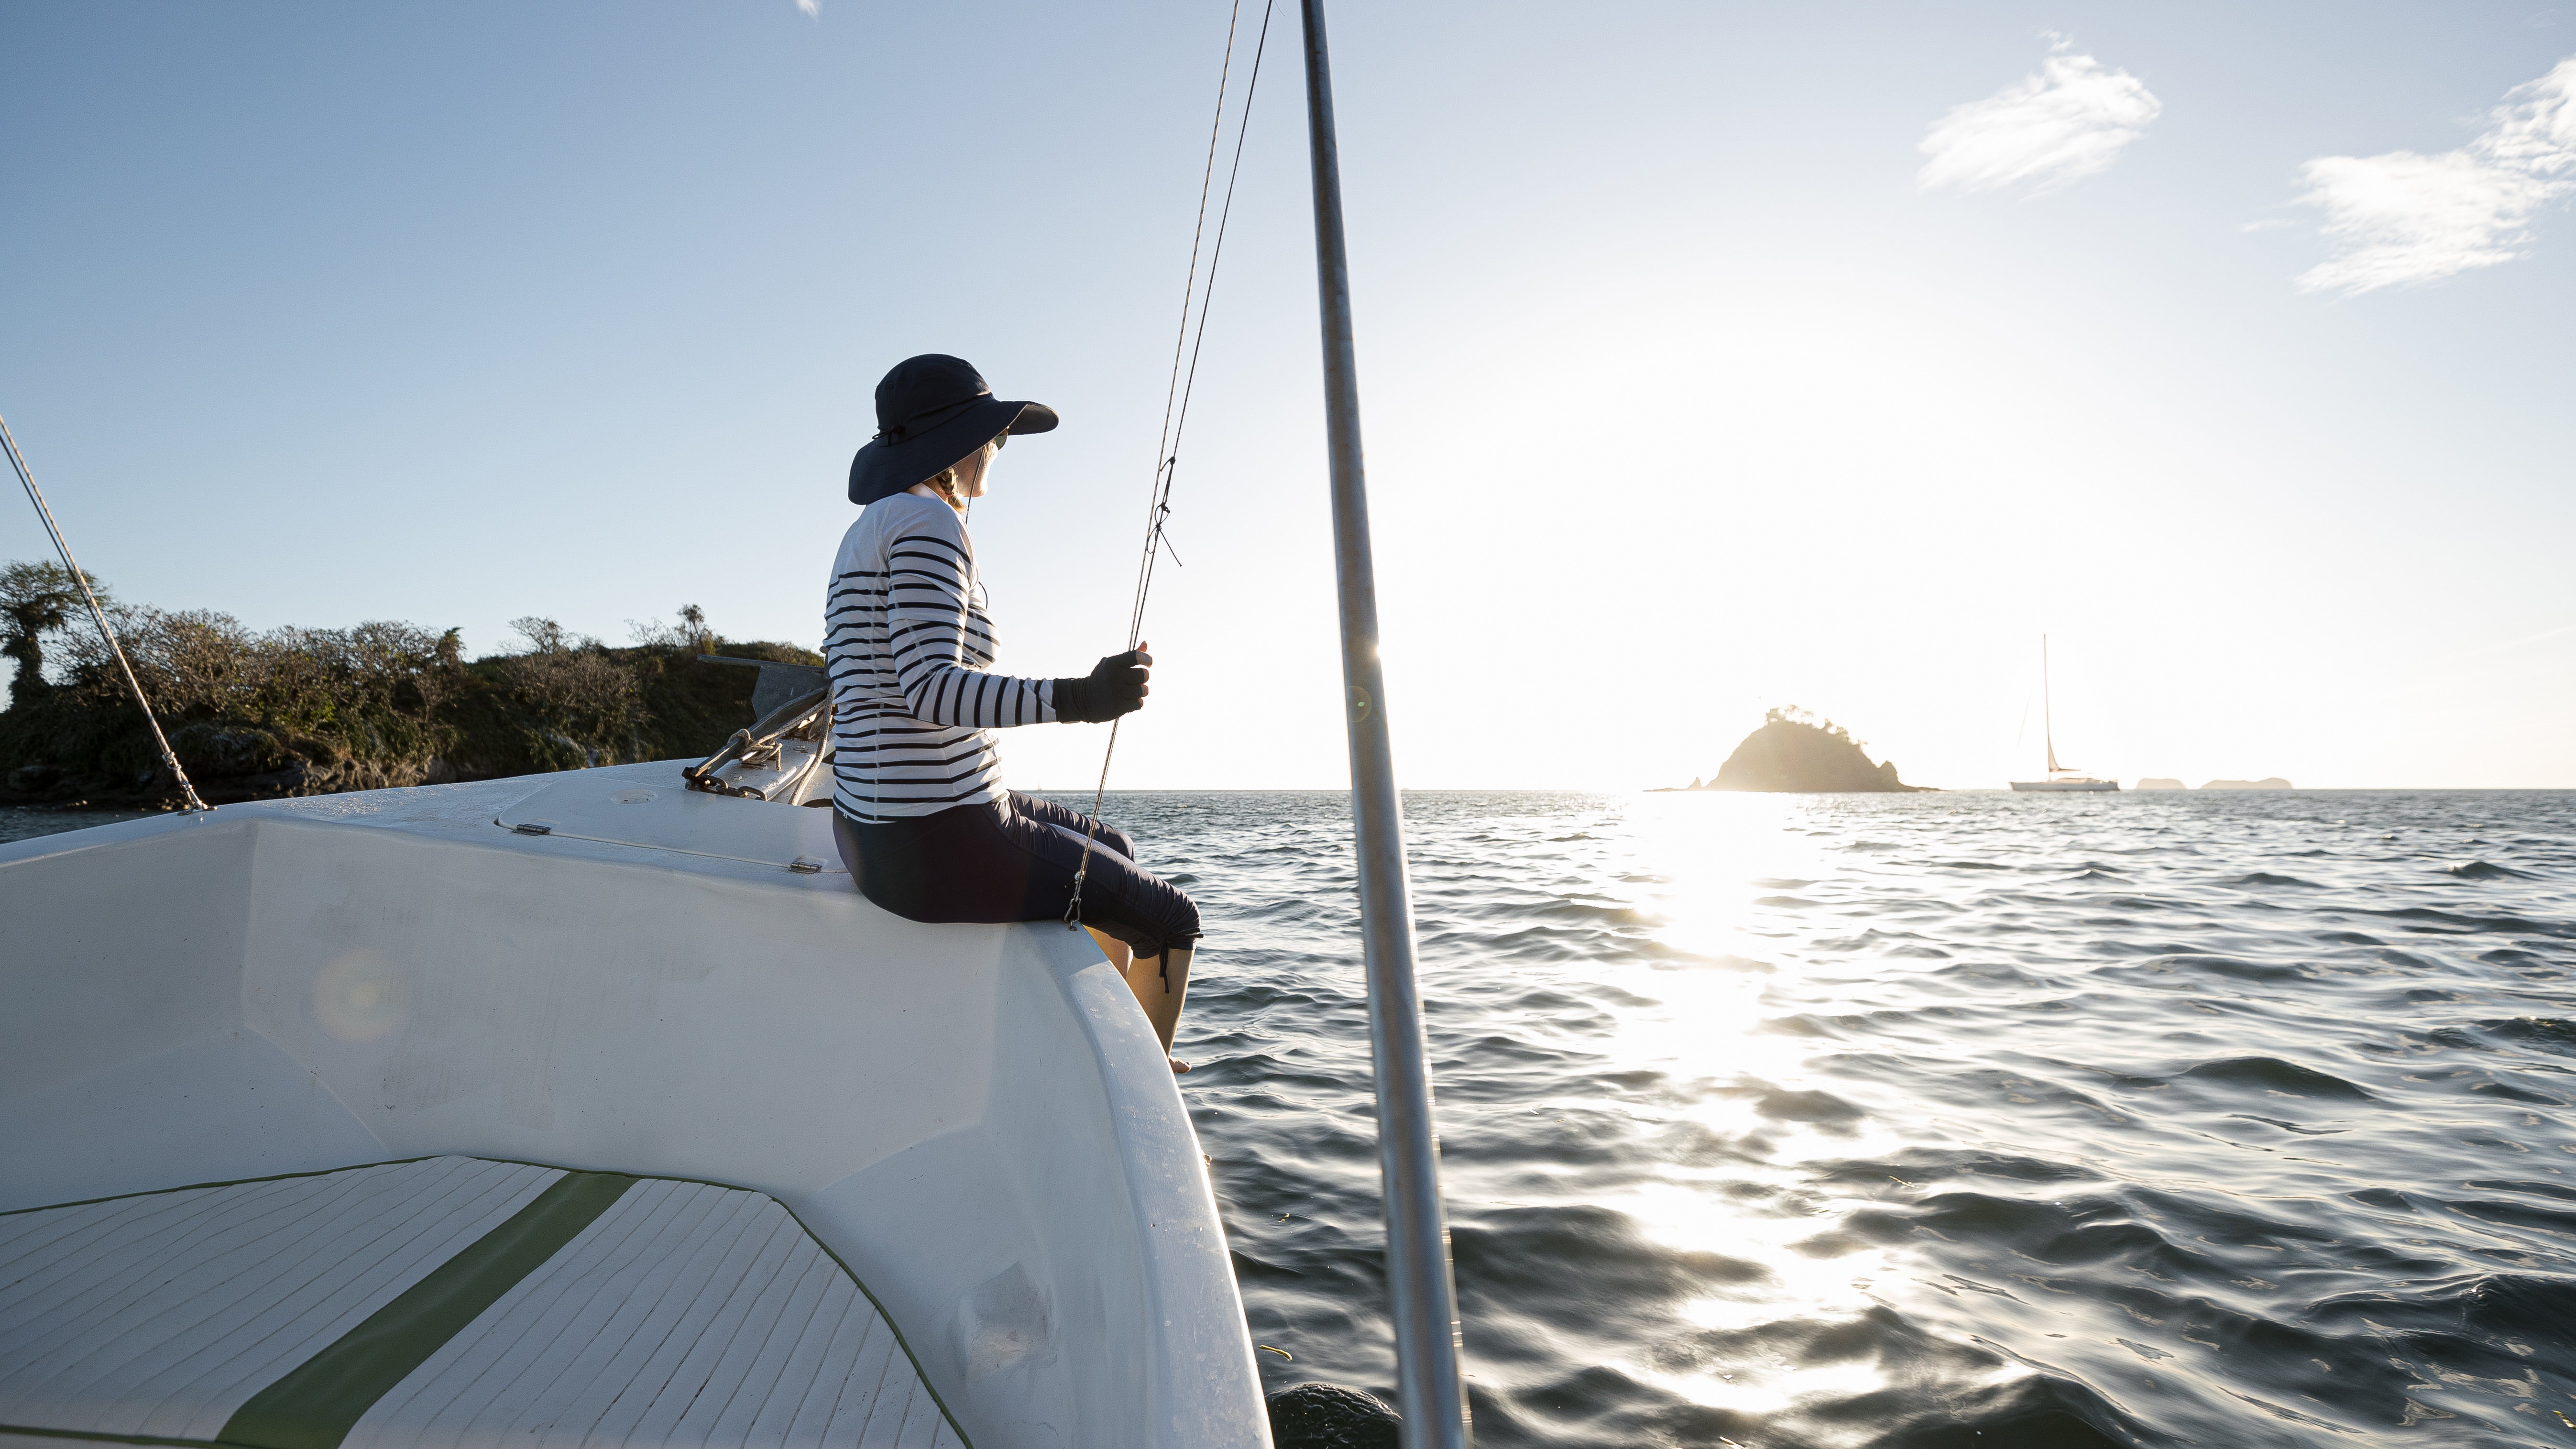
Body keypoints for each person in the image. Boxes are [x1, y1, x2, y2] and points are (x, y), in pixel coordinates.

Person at [826, 353, 1202, 1070]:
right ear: (955, 444)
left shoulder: (872, 528)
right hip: (932, 840)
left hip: (871, 832)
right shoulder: (929, 524)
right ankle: (1138, 1085)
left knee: (1116, 846)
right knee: (1170, 919)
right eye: (993, 435)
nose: (998, 447)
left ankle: (1102, 1037)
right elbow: (931, 690)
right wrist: (1082, 698)